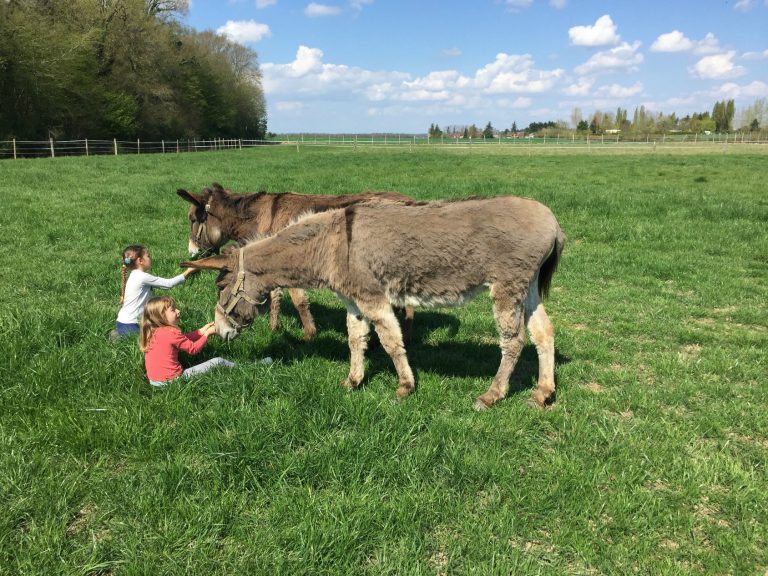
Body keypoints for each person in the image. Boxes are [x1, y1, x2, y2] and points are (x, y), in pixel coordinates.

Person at [139, 296, 235, 387]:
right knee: (218, 361)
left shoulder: (153, 332)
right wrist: (207, 334)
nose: (178, 311)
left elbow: (182, 339)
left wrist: (200, 331)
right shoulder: (171, 332)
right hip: (172, 381)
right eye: (173, 310)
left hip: (154, 382)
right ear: (161, 317)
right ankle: (240, 368)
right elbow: (193, 349)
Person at [113, 244, 196, 338]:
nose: (150, 258)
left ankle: (120, 334)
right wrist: (189, 271)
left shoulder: (134, 275)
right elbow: (168, 284)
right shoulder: (142, 277)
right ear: (140, 261)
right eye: (148, 256)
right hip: (132, 324)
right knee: (153, 343)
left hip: (123, 321)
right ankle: (118, 337)